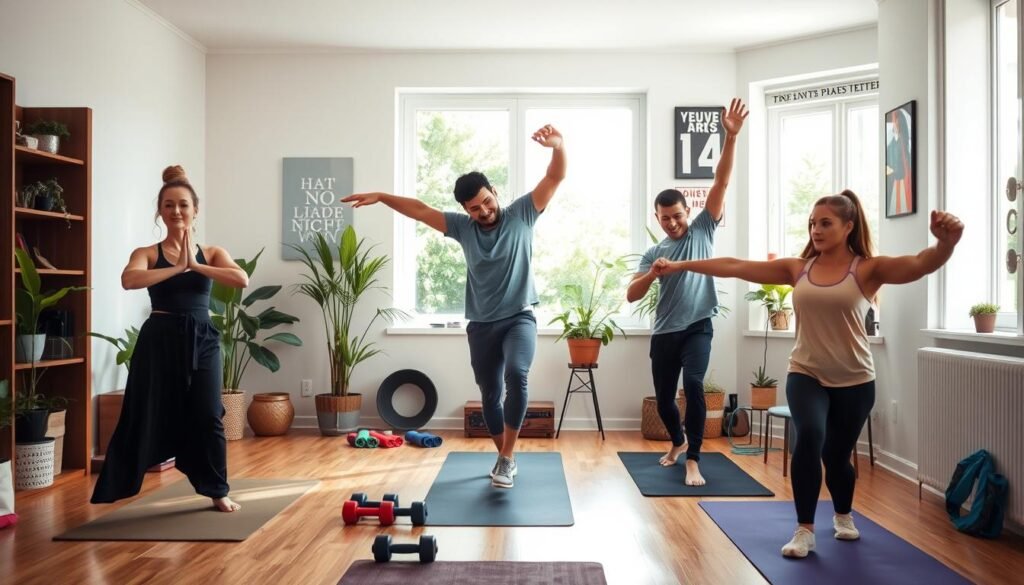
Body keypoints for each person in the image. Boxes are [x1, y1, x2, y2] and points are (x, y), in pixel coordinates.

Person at [654, 191, 963, 557]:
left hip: (856, 380)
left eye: (825, 223)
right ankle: (804, 529)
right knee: (809, 438)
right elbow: (735, 266)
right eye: (812, 223)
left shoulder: (867, 269)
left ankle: (843, 515)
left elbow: (920, 263)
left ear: (849, 226)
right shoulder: (798, 268)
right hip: (806, 373)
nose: (816, 229)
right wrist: (681, 266)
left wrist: (945, 245)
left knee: (837, 456)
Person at [343, 124, 565, 489]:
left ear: (495, 191)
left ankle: (507, 459)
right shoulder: (463, 228)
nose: (485, 211)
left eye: (487, 202)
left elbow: (555, 175)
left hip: (518, 318)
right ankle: (503, 457)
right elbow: (419, 210)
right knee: (489, 394)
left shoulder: (523, 213)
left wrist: (558, 145)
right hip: (480, 325)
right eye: (475, 208)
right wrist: (382, 196)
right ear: (466, 210)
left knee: (517, 374)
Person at [91, 165, 249, 513]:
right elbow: (129, 280)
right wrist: (177, 268)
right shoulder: (148, 252)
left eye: (183, 205)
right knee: (144, 412)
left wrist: (195, 265)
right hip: (159, 339)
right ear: (160, 211)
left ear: (195, 210)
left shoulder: (211, 252)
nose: (176, 211)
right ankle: (120, 483)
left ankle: (217, 489)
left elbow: (241, 279)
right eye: (168, 205)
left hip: (202, 337)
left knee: (209, 414)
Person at [627, 99, 748, 487]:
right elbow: (631, 294)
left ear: (686, 211)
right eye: (666, 219)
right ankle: (677, 442)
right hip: (664, 332)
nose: (674, 222)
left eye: (678, 215)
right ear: (657, 219)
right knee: (664, 400)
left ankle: (693, 458)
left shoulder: (701, 230)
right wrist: (653, 275)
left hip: (698, 325)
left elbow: (722, 181)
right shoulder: (654, 252)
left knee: (693, 386)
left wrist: (730, 138)